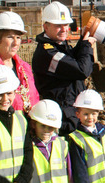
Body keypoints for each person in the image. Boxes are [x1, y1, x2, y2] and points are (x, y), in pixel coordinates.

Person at [32, 1, 96, 136]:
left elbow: (71, 60)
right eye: (58, 26)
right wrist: (86, 46)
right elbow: (81, 70)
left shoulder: (59, 45)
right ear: (46, 26)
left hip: (71, 114)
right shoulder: (47, 53)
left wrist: (82, 41)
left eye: (66, 25)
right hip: (62, 120)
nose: (64, 29)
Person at [28, 99, 78, 183]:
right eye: (43, 126)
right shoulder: (29, 147)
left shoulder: (62, 144)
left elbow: (70, 174)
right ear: (34, 124)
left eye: (50, 127)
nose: (46, 130)